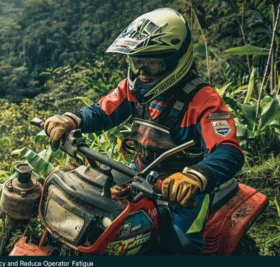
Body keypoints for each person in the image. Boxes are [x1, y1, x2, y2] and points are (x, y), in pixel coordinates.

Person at [43, 8, 244, 253]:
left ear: (175, 59)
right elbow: (101, 112)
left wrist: (195, 177)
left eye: (151, 62)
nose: (142, 72)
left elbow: (228, 151)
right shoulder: (134, 89)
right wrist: (71, 119)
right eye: (137, 62)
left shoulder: (204, 100)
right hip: (140, 173)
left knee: (182, 244)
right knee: (103, 223)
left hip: (185, 191)